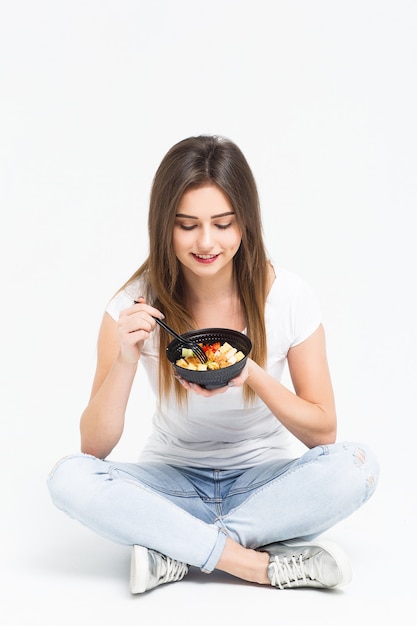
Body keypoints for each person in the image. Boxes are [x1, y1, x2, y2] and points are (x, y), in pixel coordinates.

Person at [48, 134, 379, 593]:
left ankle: (179, 549)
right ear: (164, 225)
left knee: (358, 465)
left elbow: (323, 433)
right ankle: (250, 563)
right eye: (187, 225)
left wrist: (253, 374)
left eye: (223, 223)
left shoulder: (288, 297)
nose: (206, 242)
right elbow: (94, 447)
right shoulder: (132, 304)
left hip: (261, 483)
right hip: (171, 482)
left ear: (246, 222)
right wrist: (126, 358)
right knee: (68, 477)